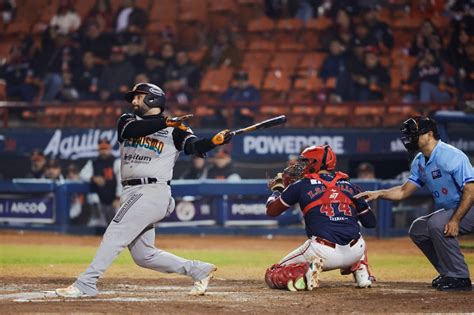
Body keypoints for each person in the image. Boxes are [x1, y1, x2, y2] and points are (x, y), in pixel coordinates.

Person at [56, 82, 234, 298]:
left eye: (138, 97)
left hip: (152, 191)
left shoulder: (175, 128)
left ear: (152, 98)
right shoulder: (128, 120)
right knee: (143, 255)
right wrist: (166, 121)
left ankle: (87, 283)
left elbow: (194, 146)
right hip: (132, 192)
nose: (133, 101)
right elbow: (130, 131)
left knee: (115, 233)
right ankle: (197, 269)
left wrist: (213, 142)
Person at [355, 116, 474, 291]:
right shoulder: (420, 160)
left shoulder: (450, 155)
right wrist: (379, 193)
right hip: (453, 208)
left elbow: (471, 190)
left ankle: (460, 277)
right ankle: (448, 273)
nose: (410, 138)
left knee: (437, 223)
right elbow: (404, 191)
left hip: (469, 205)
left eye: (414, 134)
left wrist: (455, 220)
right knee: (419, 229)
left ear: (429, 134)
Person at [264, 145, 377, 291]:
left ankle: (305, 273)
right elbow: (370, 223)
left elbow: (272, 211)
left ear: (315, 163)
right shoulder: (351, 185)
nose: (300, 165)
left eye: (305, 161)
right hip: (356, 251)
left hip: (322, 251)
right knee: (356, 232)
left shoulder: (300, 185)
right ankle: (361, 270)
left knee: (273, 274)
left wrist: (278, 190)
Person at [80, 138, 121, 226]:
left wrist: (118, 198)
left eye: (105, 149)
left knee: (117, 224)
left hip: (114, 199)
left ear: (110, 149)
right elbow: (82, 174)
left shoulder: (116, 161)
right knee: (103, 226)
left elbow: (120, 181)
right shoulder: (94, 162)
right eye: (101, 149)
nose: (103, 151)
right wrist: (93, 178)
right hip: (100, 200)